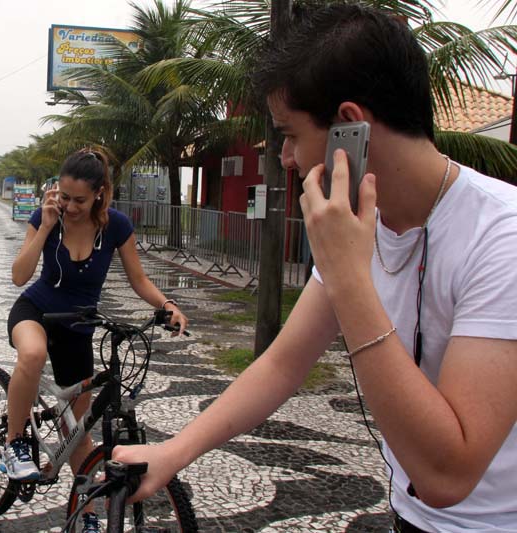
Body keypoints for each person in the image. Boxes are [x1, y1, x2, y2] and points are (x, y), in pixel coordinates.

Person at [114, 5, 517, 532]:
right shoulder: (355, 227)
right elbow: (282, 365)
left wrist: (348, 277)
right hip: (407, 517)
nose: (284, 156)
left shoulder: (502, 237)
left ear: (350, 127)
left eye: (290, 133)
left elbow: (447, 476)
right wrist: (175, 450)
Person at [4, 148, 188, 527]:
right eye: (64, 197)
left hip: (78, 326)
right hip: (35, 311)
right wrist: (44, 227)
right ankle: (15, 444)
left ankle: (87, 516)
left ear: (100, 193)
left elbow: (138, 280)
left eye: (79, 200)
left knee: (78, 430)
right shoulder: (46, 217)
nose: (70, 206)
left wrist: (167, 304)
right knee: (33, 355)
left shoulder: (116, 226)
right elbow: (20, 275)